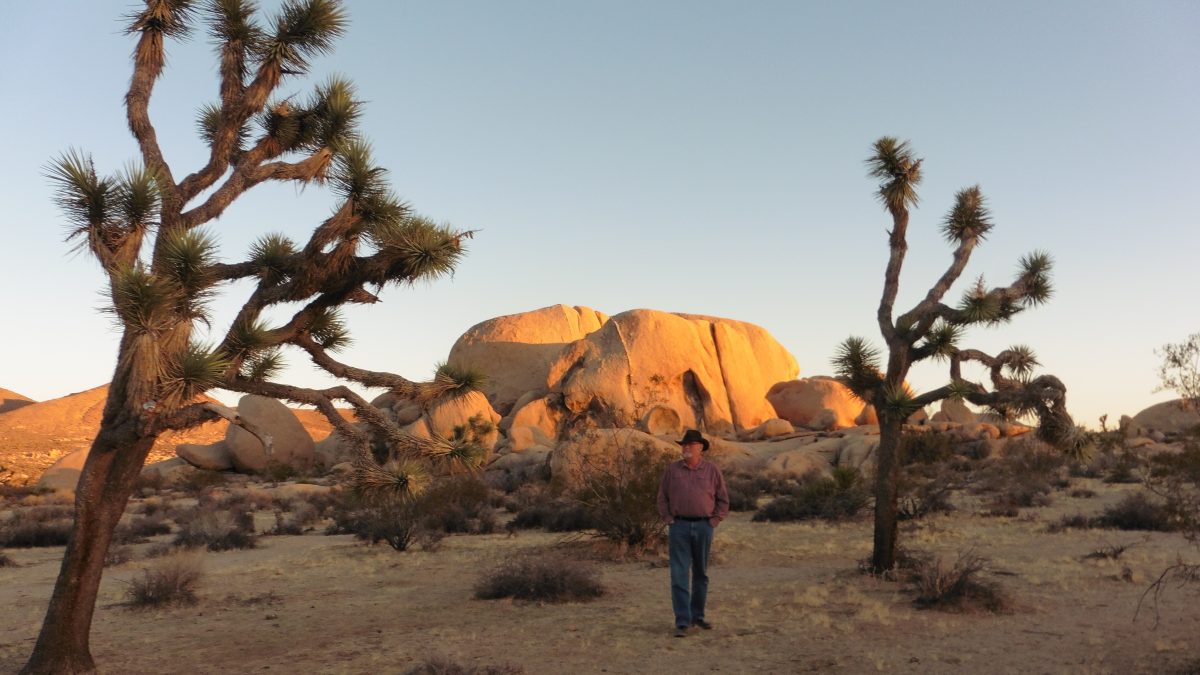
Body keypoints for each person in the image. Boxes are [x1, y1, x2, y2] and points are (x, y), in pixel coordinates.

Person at [656, 428, 730, 638]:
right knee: (679, 574)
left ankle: (697, 616)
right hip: (679, 527)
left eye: (691, 445)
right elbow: (662, 497)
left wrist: (715, 520)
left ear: (700, 448)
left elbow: (723, 499)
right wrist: (668, 519)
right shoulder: (672, 470)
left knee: (701, 574)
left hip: (704, 526)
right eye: (684, 445)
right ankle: (682, 621)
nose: (686, 448)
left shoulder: (712, 471)